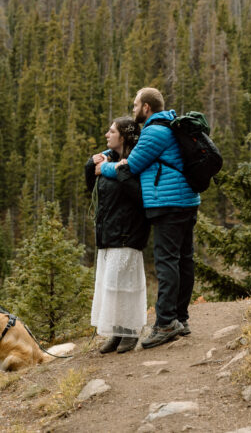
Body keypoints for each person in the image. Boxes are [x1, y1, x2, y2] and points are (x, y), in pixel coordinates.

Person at [100, 87, 199, 349]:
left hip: (168, 203)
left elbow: (131, 166)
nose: (133, 111)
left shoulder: (154, 131)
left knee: (167, 262)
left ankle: (165, 323)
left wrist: (105, 167)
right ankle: (180, 318)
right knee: (184, 260)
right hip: (187, 200)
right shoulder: (172, 126)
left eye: (135, 106)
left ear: (146, 107)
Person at [86, 116, 149, 354]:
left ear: (122, 137)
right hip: (110, 232)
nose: (106, 134)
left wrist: (117, 170)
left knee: (125, 284)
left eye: (111, 131)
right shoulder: (110, 159)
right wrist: (91, 165)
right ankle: (116, 331)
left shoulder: (134, 162)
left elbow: (139, 195)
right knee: (110, 285)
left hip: (128, 232)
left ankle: (130, 332)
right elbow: (91, 187)